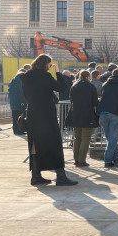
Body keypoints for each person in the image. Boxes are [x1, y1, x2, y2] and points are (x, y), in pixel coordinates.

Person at [20, 54, 77, 186]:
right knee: (54, 143)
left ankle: (36, 176)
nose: (49, 67)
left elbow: (26, 95)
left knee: (35, 143)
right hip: (46, 114)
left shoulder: (26, 77)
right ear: (46, 64)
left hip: (33, 113)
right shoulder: (45, 76)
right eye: (49, 64)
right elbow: (61, 88)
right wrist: (57, 72)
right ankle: (60, 176)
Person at [98, 68, 118, 167]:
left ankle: (116, 159)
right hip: (116, 113)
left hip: (103, 112)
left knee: (110, 138)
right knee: (113, 139)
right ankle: (107, 160)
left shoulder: (105, 84)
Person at [69, 70, 99, 167]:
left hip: (75, 114)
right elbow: (95, 102)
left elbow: (71, 99)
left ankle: (76, 159)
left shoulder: (74, 86)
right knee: (85, 138)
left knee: (77, 138)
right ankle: (82, 160)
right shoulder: (90, 86)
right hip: (87, 114)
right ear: (88, 77)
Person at [9, 70, 27, 135]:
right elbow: (21, 93)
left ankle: (16, 130)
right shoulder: (20, 82)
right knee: (19, 117)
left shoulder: (12, 81)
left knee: (15, 118)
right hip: (19, 103)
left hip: (13, 103)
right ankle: (18, 130)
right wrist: (23, 102)